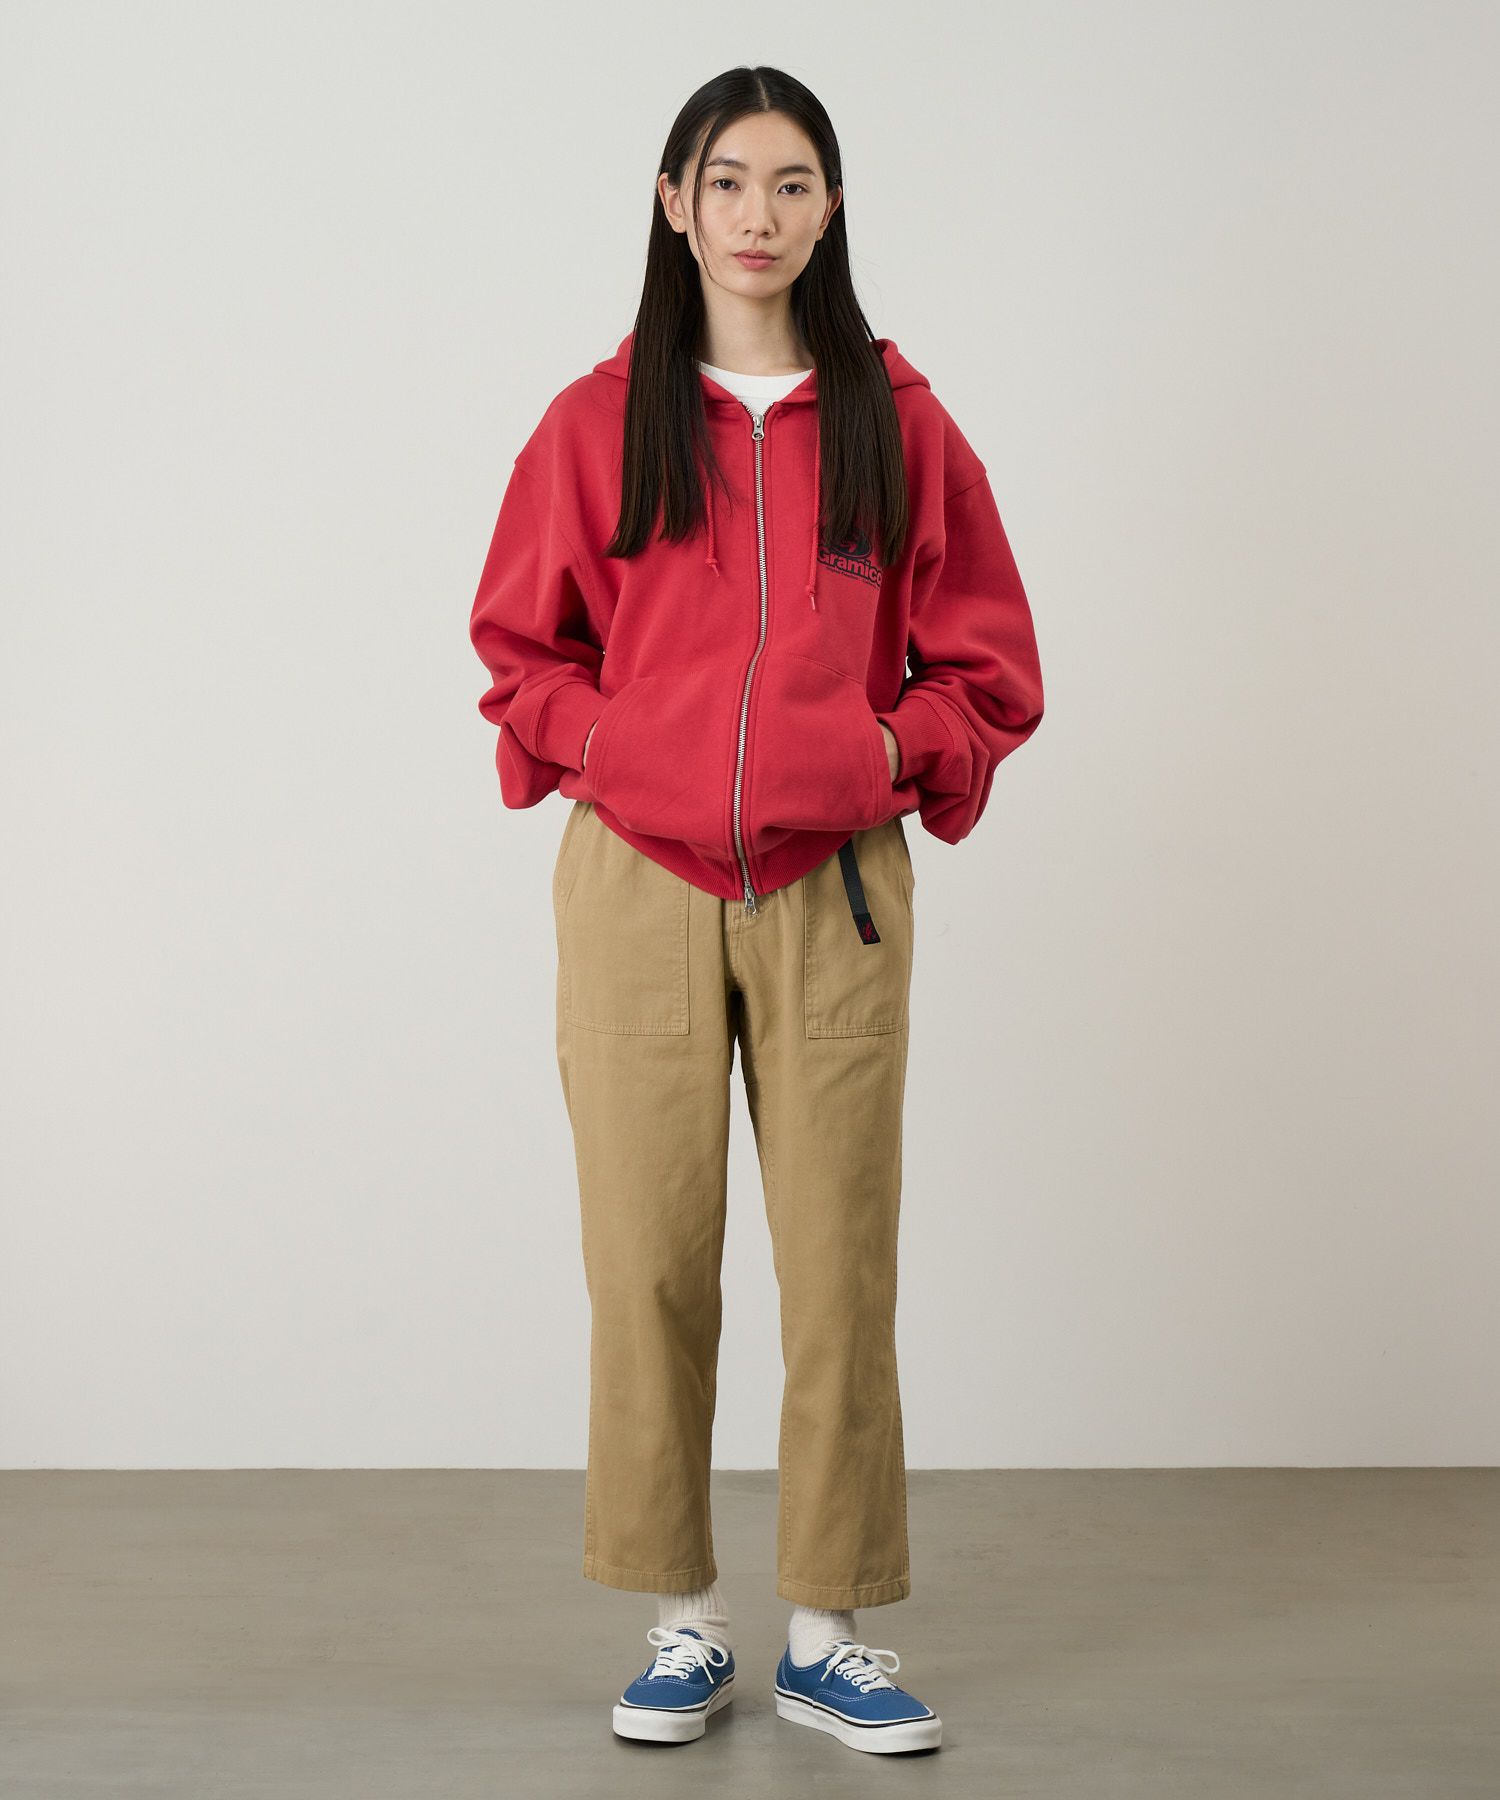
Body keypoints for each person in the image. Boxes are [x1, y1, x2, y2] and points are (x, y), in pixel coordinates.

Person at [468, 65, 1044, 1757]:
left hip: (833, 892)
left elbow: (989, 666)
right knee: (647, 1259)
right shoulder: (598, 422)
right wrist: (612, 750)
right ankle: (679, 1620)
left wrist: (882, 754)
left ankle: (829, 1633)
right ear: (674, 204)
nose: (759, 215)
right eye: (727, 182)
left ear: (831, 208)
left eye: (794, 184)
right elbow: (520, 653)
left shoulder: (900, 424)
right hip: (636, 887)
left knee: (840, 1265)